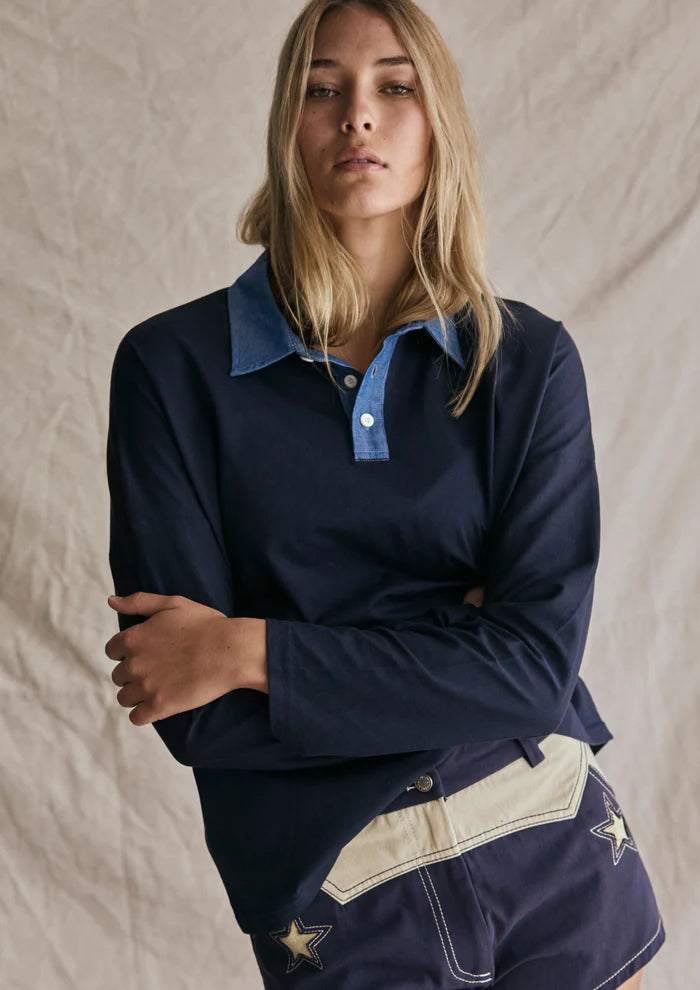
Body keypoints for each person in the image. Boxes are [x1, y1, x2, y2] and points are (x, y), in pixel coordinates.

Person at [104, 1, 667, 986]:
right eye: (322, 90)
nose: (356, 115)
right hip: (337, 891)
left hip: (547, 844)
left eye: (393, 86)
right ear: (288, 128)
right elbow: (189, 706)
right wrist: (458, 645)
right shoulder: (171, 369)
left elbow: (533, 672)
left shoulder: (523, 362)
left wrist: (249, 647)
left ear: (436, 120)